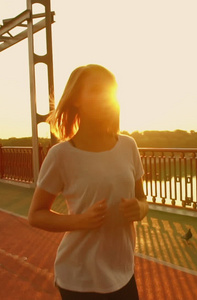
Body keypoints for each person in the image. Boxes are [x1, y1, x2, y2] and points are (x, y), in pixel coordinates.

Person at [28, 64, 148, 300]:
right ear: (76, 99)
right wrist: (80, 221)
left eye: (109, 91)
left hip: (122, 271)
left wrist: (139, 209)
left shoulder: (128, 146)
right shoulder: (61, 155)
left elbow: (142, 200)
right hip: (79, 277)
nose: (104, 97)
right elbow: (36, 215)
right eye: (95, 90)